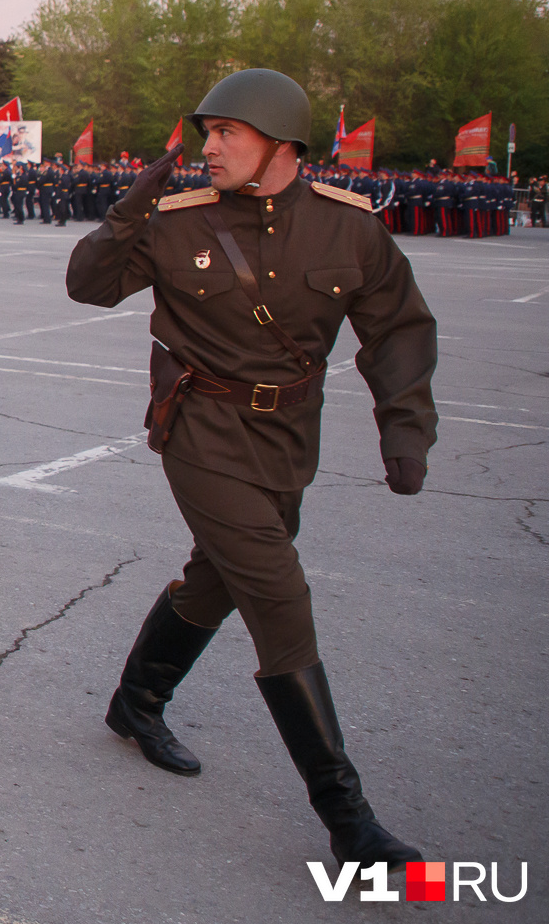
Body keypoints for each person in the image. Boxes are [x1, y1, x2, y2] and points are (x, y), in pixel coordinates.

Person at [66, 67, 436, 869]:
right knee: (277, 592)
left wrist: (405, 431)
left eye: (227, 133)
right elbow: (87, 287)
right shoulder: (174, 221)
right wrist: (130, 209)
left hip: (290, 436)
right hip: (201, 429)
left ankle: (137, 701)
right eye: (207, 134)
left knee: (221, 578)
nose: (211, 148)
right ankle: (350, 821)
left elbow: (398, 328)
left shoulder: (350, 229)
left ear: (281, 141)